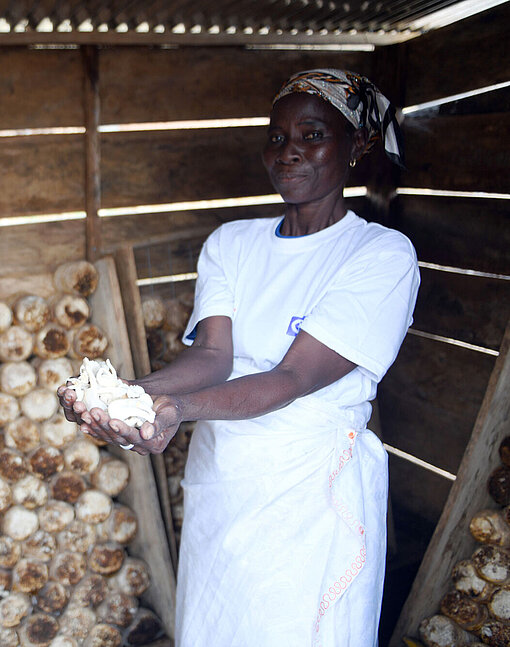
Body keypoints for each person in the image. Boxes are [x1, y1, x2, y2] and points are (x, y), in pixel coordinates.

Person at [59, 69, 420, 647]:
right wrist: (128, 394)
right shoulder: (232, 242)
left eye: (312, 135)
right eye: (277, 137)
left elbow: (291, 377)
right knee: (218, 626)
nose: (290, 152)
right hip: (225, 482)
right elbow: (213, 356)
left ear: (356, 147)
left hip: (309, 493)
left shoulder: (379, 254)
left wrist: (174, 409)